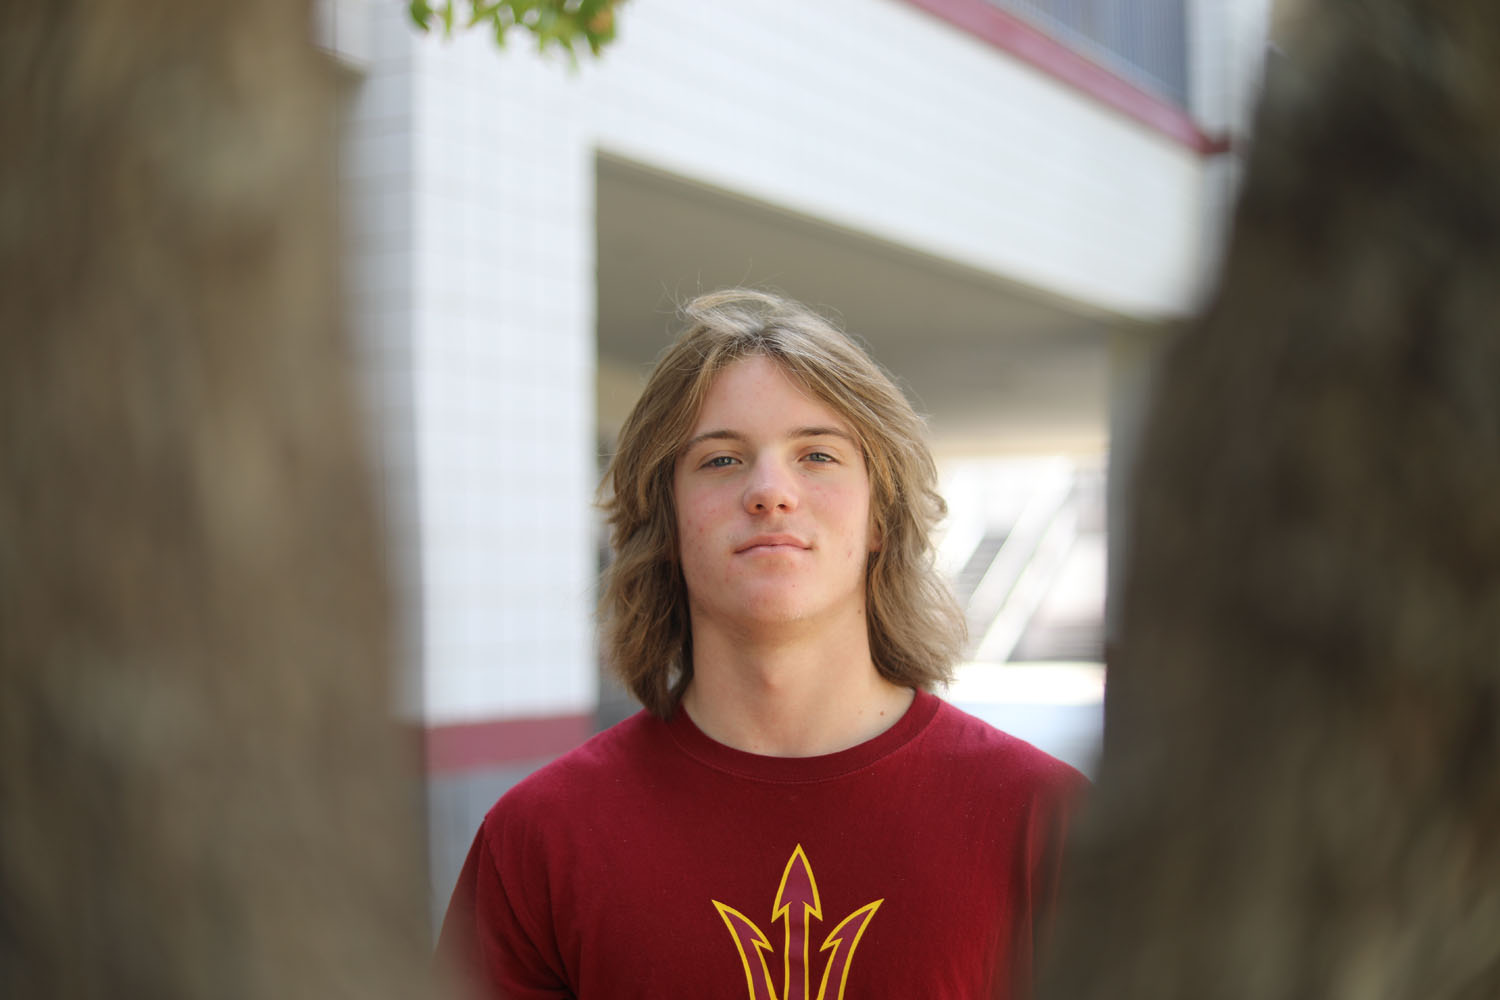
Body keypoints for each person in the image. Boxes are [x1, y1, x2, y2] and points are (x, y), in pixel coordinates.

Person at [437, 289, 1087, 999]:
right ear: (666, 520)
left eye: (816, 455)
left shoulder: (1045, 819)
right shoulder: (540, 839)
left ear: (879, 517)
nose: (771, 491)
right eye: (720, 460)